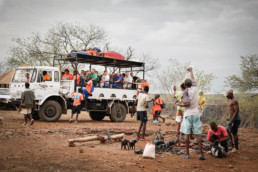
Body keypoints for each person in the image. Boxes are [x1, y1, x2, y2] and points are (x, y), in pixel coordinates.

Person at [177, 67, 205, 160]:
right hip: (196, 113)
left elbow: (187, 103)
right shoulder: (195, 88)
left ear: (185, 85)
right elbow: (193, 79)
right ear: (191, 84)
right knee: (198, 134)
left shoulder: (186, 92)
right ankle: (201, 154)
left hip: (188, 114)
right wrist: (191, 71)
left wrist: (180, 104)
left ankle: (187, 154)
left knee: (187, 134)